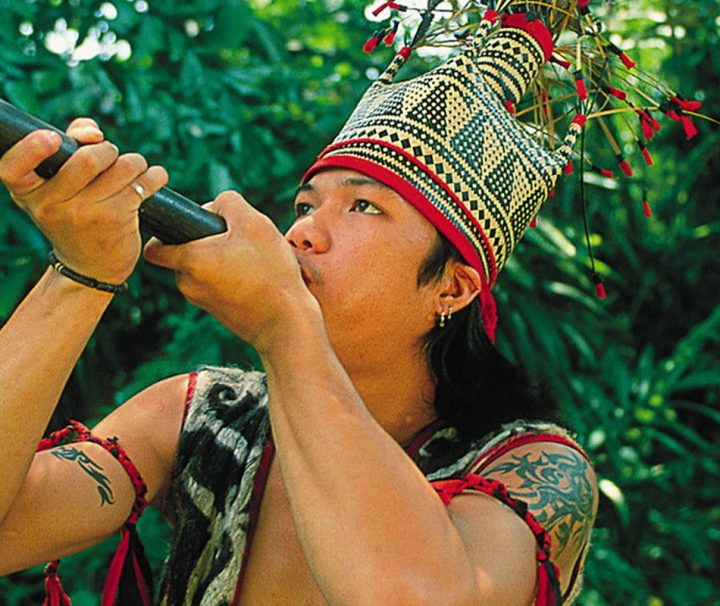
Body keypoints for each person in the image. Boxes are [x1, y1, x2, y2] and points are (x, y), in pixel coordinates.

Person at [0, 6, 605, 606]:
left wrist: (284, 324)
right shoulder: (201, 417)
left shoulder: (533, 468)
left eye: (363, 206)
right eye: (305, 206)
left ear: (452, 288)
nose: (304, 233)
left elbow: (415, 596)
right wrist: (83, 273)